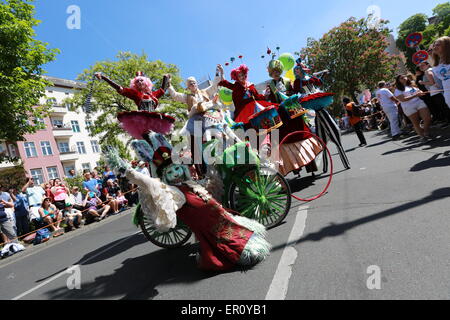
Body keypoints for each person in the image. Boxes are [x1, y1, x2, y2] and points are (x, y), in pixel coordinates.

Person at [105, 142, 271, 272]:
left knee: (237, 226)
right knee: (235, 245)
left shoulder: (188, 183)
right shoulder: (170, 191)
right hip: (209, 227)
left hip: (218, 216)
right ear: (165, 177)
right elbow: (148, 183)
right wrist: (129, 172)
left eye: (177, 168)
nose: (176, 173)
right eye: (171, 172)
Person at [394, 74, 432, 141]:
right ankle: (422, 137)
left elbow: (418, 91)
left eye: (404, 77)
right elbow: (403, 99)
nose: (404, 78)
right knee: (416, 123)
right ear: (398, 81)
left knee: (428, 118)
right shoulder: (397, 90)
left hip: (419, 102)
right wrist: (415, 95)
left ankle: (426, 132)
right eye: (401, 78)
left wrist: (420, 92)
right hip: (408, 106)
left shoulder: (411, 85)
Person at [419, 61, 450, 128]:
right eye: (420, 66)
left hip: (436, 91)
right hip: (439, 90)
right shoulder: (432, 69)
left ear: (428, 65)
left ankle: (448, 121)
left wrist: (422, 82)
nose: (421, 67)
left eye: (422, 65)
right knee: (445, 107)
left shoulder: (427, 71)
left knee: (443, 107)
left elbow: (432, 82)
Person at [431, 37, 450, 110]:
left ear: (447, 46)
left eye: (438, 45)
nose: (435, 47)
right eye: (434, 45)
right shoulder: (436, 64)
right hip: (447, 93)